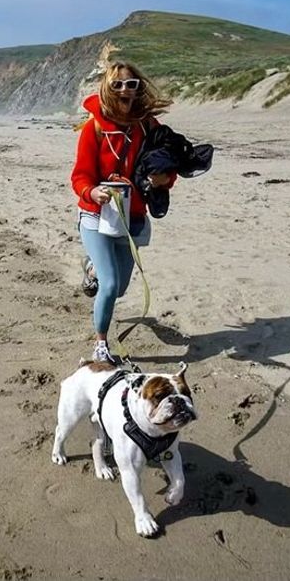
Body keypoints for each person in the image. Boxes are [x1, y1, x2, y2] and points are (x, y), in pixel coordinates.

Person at [70, 61, 174, 363]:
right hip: (95, 216)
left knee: (118, 289)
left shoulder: (148, 127)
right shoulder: (94, 128)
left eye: (131, 84)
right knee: (111, 282)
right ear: (107, 89)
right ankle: (101, 344)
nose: (125, 90)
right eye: (117, 85)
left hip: (131, 219)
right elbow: (80, 176)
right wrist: (92, 192)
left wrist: (163, 179)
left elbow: (168, 165)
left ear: (139, 87)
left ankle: (91, 268)